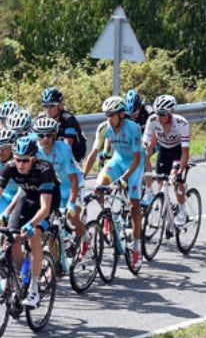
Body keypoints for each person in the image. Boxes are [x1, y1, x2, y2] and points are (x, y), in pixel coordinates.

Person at [0, 136, 59, 309]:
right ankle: (19, 279)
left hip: (47, 202)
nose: (20, 164)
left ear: (34, 158)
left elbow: (45, 208)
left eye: (25, 160)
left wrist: (32, 224)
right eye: (17, 160)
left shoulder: (44, 169)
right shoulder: (10, 167)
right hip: (26, 198)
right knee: (13, 236)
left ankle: (34, 288)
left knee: (34, 235)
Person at [82, 96, 147, 268]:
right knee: (99, 186)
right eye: (107, 115)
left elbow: (135, 160)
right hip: (117, 160)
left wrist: (123, 179)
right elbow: (93, 154)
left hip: (134, 164)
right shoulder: (104, 128)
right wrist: (82, 176)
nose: (109, 119)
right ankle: (107, 217)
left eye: (112, 115)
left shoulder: (133, 128)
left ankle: (136, 248)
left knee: (134, 206)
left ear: (121, 114)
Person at [142, 95, 193, 228]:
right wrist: (142, 158)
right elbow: (146, 144)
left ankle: (182, 210)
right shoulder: (152, 120)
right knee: (161, 182)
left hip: (178, 151)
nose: (159, 117)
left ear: (171, 113)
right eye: (157, 113)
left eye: (162, 114)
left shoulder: (182, 123)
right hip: (164, 150)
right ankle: (168, 208)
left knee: (174, 179)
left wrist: (181, 171)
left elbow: (185, 152)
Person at [39, 87, 87, 163]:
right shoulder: (41, 119)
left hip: (74, 154)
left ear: (60, 105)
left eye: (52, 105)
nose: (48, 109)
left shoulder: (68, 119)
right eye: (45, 105)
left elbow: (67, 146)